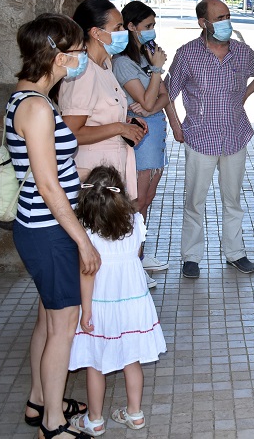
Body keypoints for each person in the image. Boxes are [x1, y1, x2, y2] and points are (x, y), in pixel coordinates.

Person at [8, 13, 100, 438]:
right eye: (79, 52)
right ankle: (53, 424)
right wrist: (83, 241)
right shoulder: (37, 108)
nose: (83, 59)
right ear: (59, 56)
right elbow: (47, 185)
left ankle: (39, 400)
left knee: (48, 320)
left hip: (41, 226)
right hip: (49, 229)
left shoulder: (28, 99)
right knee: (62, 327)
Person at [167, 0, 254, 279]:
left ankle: (235, 253)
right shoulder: (187, 54)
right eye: (219, 17)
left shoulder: (241, 52)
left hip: (235, 136)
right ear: (203, 23)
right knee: (195, 201)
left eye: (227, 16)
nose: (226, 22)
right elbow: (168, 93)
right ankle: (191, 257)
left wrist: (245, 95)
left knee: (233, 199)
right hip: (200, 138)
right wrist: (176, 127)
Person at [57, 0, 153, 289]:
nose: (124, 32)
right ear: (96, 33)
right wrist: (118, 126)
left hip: (113, 167)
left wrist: (127, 123)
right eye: (118, 27)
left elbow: (102, 112)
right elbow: (70, 133)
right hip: (93, 178)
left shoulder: (105, 64)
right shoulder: (83, 72)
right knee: (99, 250)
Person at [68, 166, 167, 436]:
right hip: (133, 303)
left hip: (101, 305)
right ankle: (134, 414)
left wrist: (85, 311)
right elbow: (135, 254)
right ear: (120, 195)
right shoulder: (135, 223)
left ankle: (95, 420)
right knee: (131, 360)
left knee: (95, 363)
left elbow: (87, 275)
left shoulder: (85, 232)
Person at [113, 1, 173, 276]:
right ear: (131, 27)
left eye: (153, 26)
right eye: (147, 26)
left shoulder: (144, 59)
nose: (152, 31)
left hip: (156, 137)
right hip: (141, 139)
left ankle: (139, 254)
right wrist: (157, 72)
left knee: (146, 201)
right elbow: (150, 99)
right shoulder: (123, 63)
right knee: (136, 202)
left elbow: (163, 96)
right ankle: (130, 262)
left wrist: (153, 98)